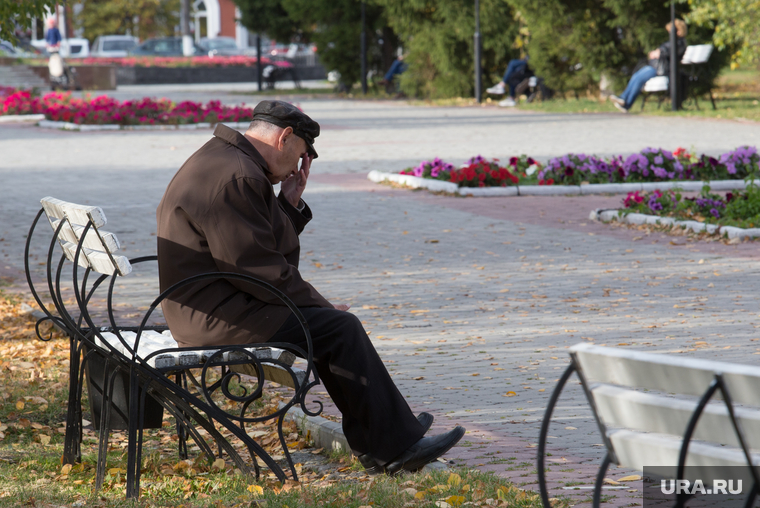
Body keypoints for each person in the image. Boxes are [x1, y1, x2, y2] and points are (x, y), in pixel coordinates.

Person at [156, 100, 465, 475]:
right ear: (285, 138)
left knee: (328, 327)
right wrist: (322, 306)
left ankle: (381, 440)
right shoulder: (239, 175)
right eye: (300, 156)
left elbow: (252, 251)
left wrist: (286, 205)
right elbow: (258, 270)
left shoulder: (226, 159)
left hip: (209, 305)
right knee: (339, 328)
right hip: (214, 316)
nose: (297, 168)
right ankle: (394, 445)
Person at [610, 19, 687, 113]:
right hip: (658, 67)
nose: (670, 33)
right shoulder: (675, 42)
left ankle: (625, 101)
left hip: (662, 69)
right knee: (636, 76)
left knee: (638, 78)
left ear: (678, 31)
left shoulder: (680, 43)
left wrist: (659, 52)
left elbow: (671, 53)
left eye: (672, 30)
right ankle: (624, 101)